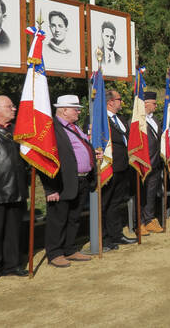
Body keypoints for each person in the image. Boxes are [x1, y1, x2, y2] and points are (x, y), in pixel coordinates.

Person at [42, 95, 96, 267]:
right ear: (64, 110)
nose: (79, 111)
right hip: (62, 181)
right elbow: (46, 159)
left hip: (81, 180)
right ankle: (55, 252)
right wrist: (50, 188)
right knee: (58, 218)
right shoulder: (52, 128)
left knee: (74, 217)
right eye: (75, 109)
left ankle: (70, 249)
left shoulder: (75, 127)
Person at [0, 96, 28, 284]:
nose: (14, 109)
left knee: (13, 229)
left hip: (17, 188)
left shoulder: (15, 131)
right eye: (9, 106)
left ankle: (12, 264)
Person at [104, 90, 136, 249]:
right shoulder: (99, 119)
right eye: (119, 99)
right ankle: (104, 238)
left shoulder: (121, 119)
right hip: (108, 167)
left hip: (123, 166)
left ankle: (116, 234)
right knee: (105, 202)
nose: (121, 102)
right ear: (110, 102)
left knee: (116, 203)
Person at [140, 91, 164, 235]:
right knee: (142, 194)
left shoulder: (155, 120)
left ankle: (149, 219)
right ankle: (140, 222)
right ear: (146, 104)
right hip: (144, 163)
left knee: (151, 194)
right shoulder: (138, 120)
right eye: (154, 103)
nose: (156, 106)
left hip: (156, 163)